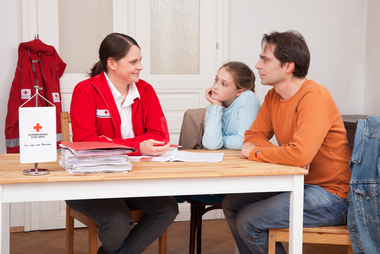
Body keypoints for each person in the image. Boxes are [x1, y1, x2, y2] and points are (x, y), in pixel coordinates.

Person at [222, 30, 352, 254]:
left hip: (331, 195)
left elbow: (299, 155)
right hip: (298, 182)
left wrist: (257, 153)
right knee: (232, 204)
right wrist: (287, 155)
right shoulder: (273, 96)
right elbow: (252, 137)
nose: (257, 65)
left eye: (265, 60)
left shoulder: (313, 96)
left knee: (248, 221)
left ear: (288, 66)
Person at [66, 33, 179, 254]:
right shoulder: (86, 90)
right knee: (118, 221)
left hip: (133, 177)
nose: (141, 67)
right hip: (93, 180)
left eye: (140, 60)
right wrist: (137, 146)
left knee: (167, 208)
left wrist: (112, 143)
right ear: (112, 63)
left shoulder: (145, 90)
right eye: (133, 62)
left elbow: (160, 136)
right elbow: (87, 143)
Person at [176, 61, 261, 204]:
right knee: (178, 189)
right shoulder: (215, 104)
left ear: (239, 91)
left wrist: (221, 140)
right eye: (216, 80)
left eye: (224, 84)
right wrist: (215, 106)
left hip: (244, 173)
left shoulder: (248, 98)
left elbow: (244, 142)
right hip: (226, 168)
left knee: (184, 191)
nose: (215, 86)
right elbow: (211, 144)